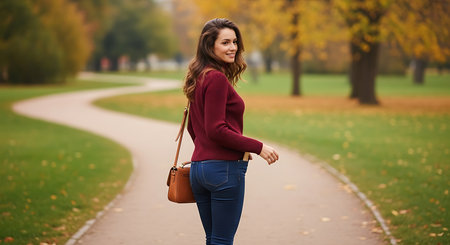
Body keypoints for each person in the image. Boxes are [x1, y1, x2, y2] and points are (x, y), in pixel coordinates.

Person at [183, 18, 279, 245]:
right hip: (223, 171)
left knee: (213, 240)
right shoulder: (215, 78)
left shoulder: (200, 76)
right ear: (210, 46)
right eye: (225, 42)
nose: (233, 47)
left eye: (234, 41)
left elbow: (192, 127)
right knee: (222, 241)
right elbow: (216, 129)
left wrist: (205, 153)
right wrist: (259, 147)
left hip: (199, 171)